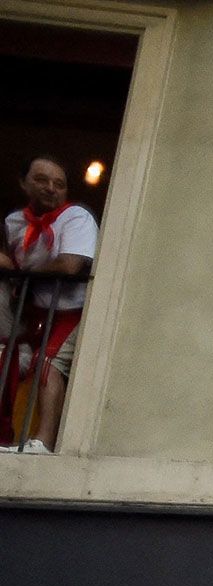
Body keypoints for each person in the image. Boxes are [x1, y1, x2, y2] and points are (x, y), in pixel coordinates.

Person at [0, 156, 97, 454]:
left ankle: (43, 442)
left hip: (73, 311)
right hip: (37, 312)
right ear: (23, 183)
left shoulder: (76, 217)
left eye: (59, 183)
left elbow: (69, 266)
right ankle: (8, 434)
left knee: (47, 363)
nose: (51, 188)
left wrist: (24, 274)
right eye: (42, 180)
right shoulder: (13, 222)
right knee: (11, 359)